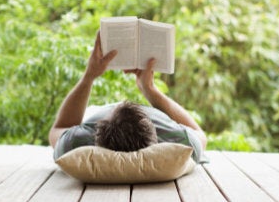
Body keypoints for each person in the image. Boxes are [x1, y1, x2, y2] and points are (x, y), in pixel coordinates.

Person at [49, 31, 207, 163]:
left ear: (97, 135)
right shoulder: (181, 144)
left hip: (96, 115)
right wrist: (149, 89)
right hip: (145, 119)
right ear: (156, 136)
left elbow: (57, 129)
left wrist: (89, 76)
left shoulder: (78, 142)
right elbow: (199, 135)